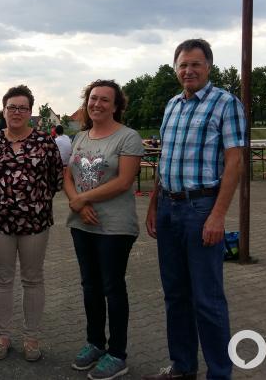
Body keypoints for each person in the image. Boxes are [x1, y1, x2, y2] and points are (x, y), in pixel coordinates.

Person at [142, 39, 245, 380]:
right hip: (169, 207)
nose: (189, 70)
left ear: (209, 68)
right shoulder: (172, 105)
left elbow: (234, 163)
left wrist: (218, 215)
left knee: (207, 298)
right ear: (176, 69)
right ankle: (183, 366)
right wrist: (155, 203)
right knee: (175, 294)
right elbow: (164, 159)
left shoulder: (225, 103)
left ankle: (219, 373)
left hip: (202, 208)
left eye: (196, 64)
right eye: (183, 65)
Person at [0, 85, 63, 362]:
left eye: (22, 108)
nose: (16, 112)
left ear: (30, 112)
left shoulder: (45, 143)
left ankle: (31, 338)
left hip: (35, 223)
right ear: (3, 110)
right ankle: (3, 335)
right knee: (2, 278)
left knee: (33, 279)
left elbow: (55, 179)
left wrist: (31, 200)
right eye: (11, 107)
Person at [64, 80, 144, 380]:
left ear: (116, 105)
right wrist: (78, 203)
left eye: (104, 100)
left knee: (112, 286)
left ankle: (117, 352)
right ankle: (95, 343)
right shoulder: (81, 137)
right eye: (93, 98)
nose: (97, 104)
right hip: (81, 224)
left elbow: (124, 181)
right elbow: (68, 176)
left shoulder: (128, 137)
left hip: (114, 227)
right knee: (90, 286)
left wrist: (83, 198)